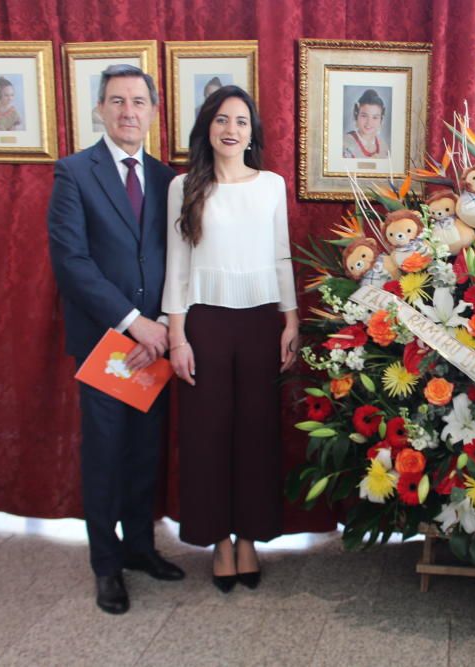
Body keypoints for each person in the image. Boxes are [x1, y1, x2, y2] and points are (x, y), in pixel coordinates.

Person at [47, 64, 184, 616]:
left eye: (138, 102)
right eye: (117, 101)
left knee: (144, 453)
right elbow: (72, 264)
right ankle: (106, 566)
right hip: (109, 344)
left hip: (156, 345)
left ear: (153, 111)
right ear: (100, 110)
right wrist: (135, 323)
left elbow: (177, 258)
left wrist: (164, 329)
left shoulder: (166, 176)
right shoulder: (73, 173)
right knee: (105, 456)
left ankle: (140, 549)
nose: (129, 111)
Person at [163, 85, 299, 593]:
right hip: (205, 326)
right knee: (208, 435)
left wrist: (292, 321)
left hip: (263, 322)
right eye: (222, 120)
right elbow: (177, 266)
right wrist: (177, 335)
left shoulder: (270, 184)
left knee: (257, 434)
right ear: (208, 128)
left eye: (241, 121)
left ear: (251, 133)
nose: (231, 129)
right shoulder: (184, 187)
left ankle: (250, 539)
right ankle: (219, 540)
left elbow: (282, 255)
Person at [342, 89, 390, 159]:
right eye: (364, 116)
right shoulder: (345, 143)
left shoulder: (383, 146)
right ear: (356, 115)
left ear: (381, 119)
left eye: (375, 117)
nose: (369, 122)